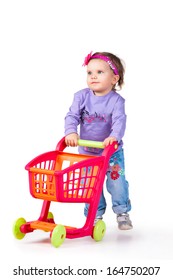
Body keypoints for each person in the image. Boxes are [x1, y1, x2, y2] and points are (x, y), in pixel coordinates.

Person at [64, 51, 133, 230]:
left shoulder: (117, 101)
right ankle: (94, 215)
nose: (93, 76)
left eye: (100, 72)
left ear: (114, 78)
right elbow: (72, 116)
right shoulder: (81, 96)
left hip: (111, 152)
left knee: (116, 182)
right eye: (89, 73)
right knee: (89, 185)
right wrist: (71, 132)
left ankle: (122, 211)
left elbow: (119, 121)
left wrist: (113, 137)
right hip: (88, 152)